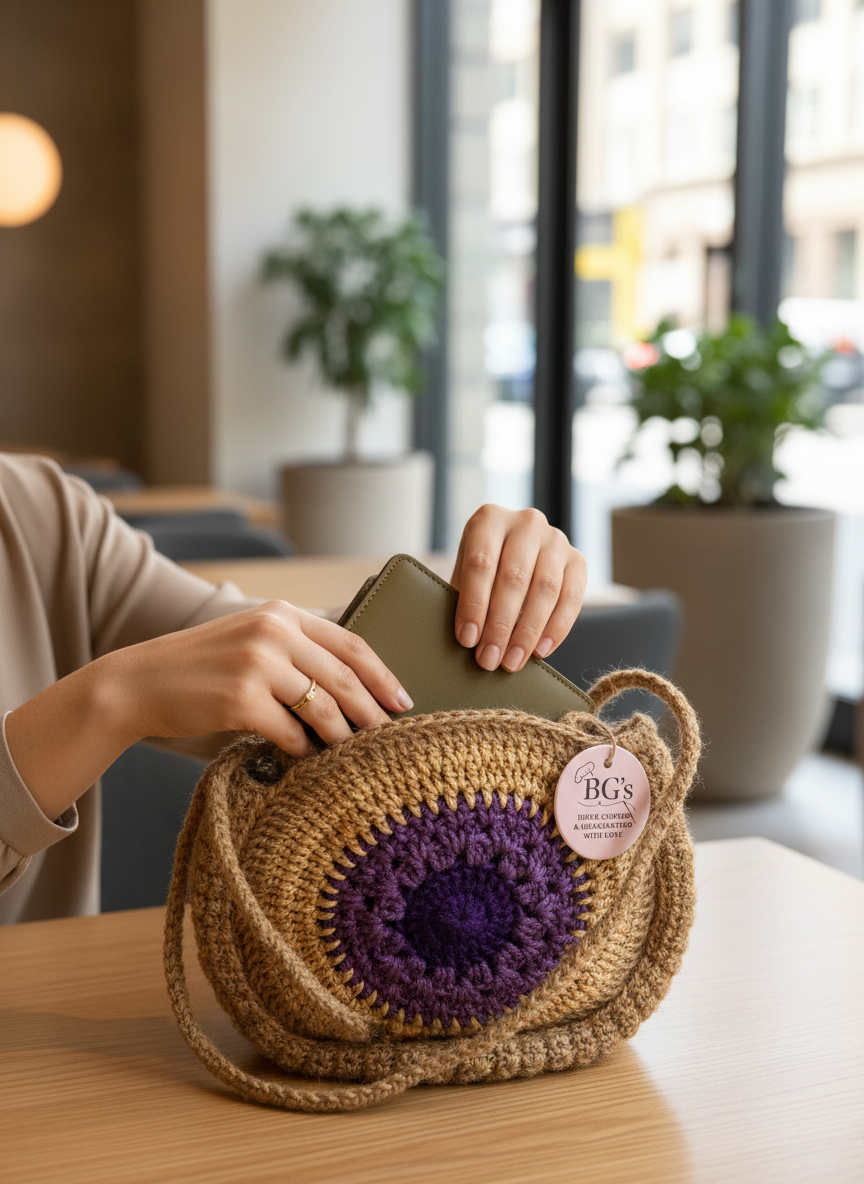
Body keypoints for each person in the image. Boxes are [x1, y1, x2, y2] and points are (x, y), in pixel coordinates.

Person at [0, 453, 587, 923]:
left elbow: (249, 655)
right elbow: (165, 677)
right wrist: (112, 700)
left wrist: (442, 629)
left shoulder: (38, 513)